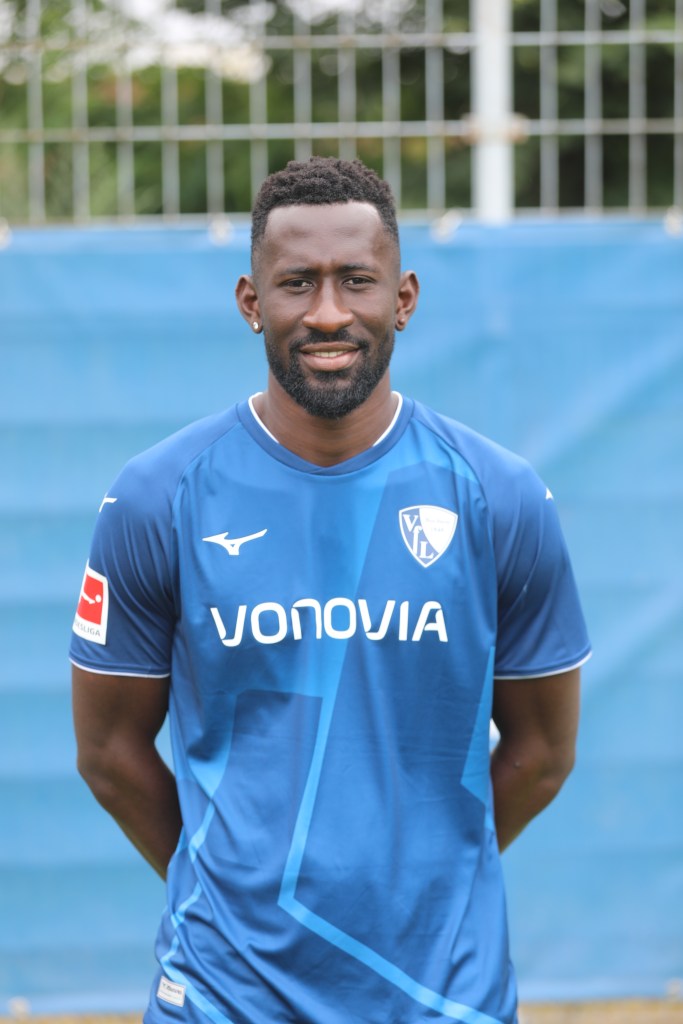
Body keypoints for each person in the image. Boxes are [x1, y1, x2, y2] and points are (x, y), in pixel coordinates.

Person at [71, 156, 591, 1024]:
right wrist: (228, 889)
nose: (326, 312)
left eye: (356, 280)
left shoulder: (499, 496)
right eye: (295, 283)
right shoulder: (157, 496)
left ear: (404, 298)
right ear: (250, 302)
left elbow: (541, 751)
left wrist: (430, 882)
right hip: (223, 995)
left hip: (438, 993)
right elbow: (108, 752)